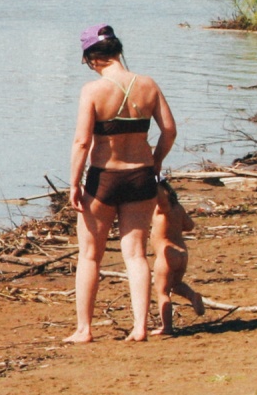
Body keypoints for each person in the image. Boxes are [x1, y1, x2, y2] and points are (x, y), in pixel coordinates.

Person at [66, 25, 177, 343]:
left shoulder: (92, 91)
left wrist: (75, 183)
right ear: (117, 51)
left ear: (91, 58)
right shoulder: (148, 85)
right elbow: (169, 130)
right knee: (136, 255)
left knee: (89, 255)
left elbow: (81, 141)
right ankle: (140, 327)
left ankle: (84, 329)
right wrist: (155, 163)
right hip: (141, 175)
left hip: (104, 177)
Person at [149, 178, 206, 337]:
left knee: (162, 291)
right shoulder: (178, 208)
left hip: (166, 254)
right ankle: (192, 296)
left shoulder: (161, 209)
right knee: (175, 284)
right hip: (182, 252)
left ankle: (166, 327)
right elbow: (189, 226)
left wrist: (151, 179)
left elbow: (160, 197)